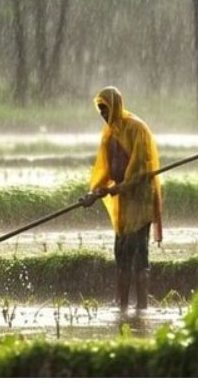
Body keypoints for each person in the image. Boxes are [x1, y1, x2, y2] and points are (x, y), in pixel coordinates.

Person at [79, 86, 163, 312]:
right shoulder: (109, 135)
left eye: (106, 111)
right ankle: (122, 305)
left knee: (138, 252)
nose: (104, 117)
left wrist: (116, 189)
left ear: (116, 106)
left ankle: (142, 307)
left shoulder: (137, 129)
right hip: (123, 203)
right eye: (101, 113)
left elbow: (139, 170)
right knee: (122, 252)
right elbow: (104, 171)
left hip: (140, 198)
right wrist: (94, 193)